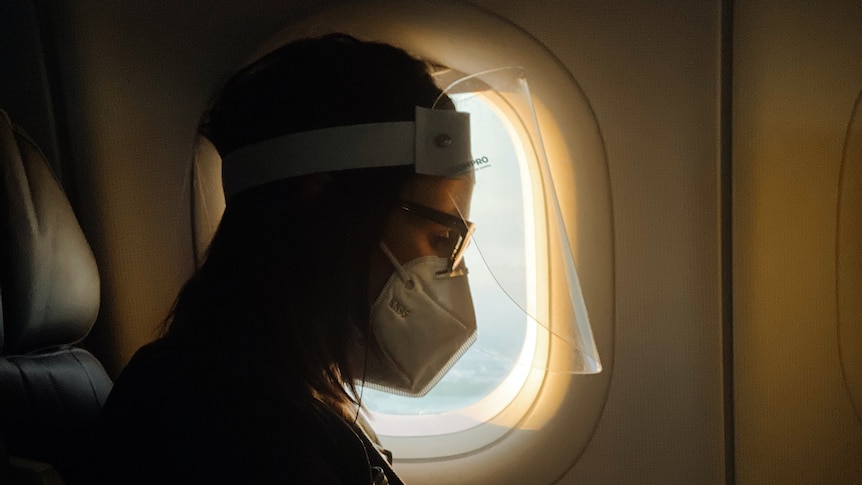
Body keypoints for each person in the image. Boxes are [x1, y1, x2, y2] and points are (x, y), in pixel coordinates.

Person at [89, 33, 478, 484]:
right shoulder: (230, 431)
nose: (453, 271)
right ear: (326, 209)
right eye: (439, 237)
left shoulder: (279, 391)